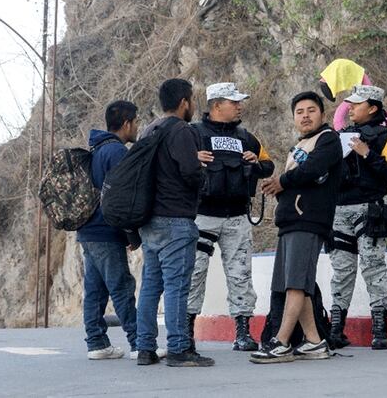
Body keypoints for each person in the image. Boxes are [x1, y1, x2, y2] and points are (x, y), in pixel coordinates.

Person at [251, 91, 343, 364]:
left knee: (295, 284)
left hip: (309, 220)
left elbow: (313, 170)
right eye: (299, 111)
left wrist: (283, 181)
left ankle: (280, 342)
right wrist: (279, 187)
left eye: (311, 110)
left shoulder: (328, 140)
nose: (305, 115)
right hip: (290, 221)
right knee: (296, 283)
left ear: (322, 115)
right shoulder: (299, 145)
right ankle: (314, 342)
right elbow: (295, 180)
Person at [186, 82, 274, 352]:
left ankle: (243, 332)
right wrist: (192, 158)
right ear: (216, 105)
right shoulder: (192, 134)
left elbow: (268, 165)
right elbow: (173, 164)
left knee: (241, 274)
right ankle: (186, 331)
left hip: (237, 217)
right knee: (194, 273)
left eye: (239, 102)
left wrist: (255, 163)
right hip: (202, 216)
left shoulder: (247, 136)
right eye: (233, 102)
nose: (239, 106)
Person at [134, 78, 214, 367]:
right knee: (178, 287)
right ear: (183, 102)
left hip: (150, 221)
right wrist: (203, 179)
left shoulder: (148, 130)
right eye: (191, 100)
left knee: (150, 288)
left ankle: (145, 349)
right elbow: (191, 172)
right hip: (175, 220)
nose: (193, 105)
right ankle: (179, 348)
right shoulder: (181, 130)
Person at [328, 85, 387, 350]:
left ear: (372, 108)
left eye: (356, 104)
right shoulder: (339, 136)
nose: (350, 109)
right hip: (338, 211)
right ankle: (335, 329)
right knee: (341, 270)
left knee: (373, 267)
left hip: (370, 208)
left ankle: (380, 331)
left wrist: (366, 154)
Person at [78, 100, 140, 360]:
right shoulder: (116, 152)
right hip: (106, 231)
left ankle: (97, 343)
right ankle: (139, 342)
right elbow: (121, 198)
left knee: (95, 290)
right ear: (126, 124)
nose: (137, 127)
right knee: (122, 287)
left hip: (89, 231)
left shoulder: (97, 149)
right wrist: (131, 233)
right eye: (136, 122)